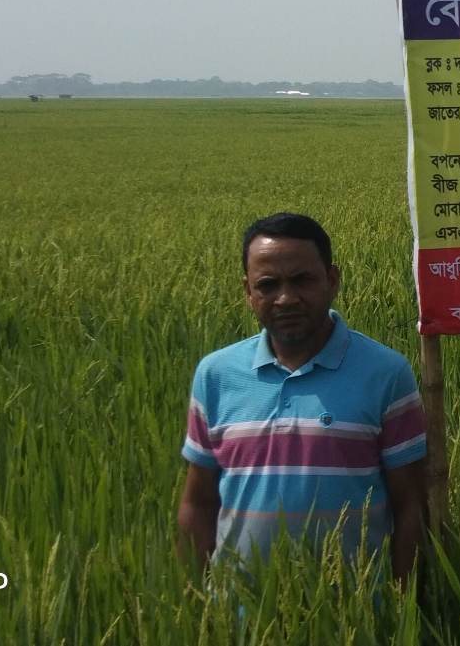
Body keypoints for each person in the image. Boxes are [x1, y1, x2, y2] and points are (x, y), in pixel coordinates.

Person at [176, 212, 428, 582]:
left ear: (332, 280)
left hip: (354, 608)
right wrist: (195, 602)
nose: (286, 298)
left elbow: (411, 507)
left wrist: (406, 604)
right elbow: (198, 503)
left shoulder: (386, 374)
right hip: (240, 609)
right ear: (248, 291)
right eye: (267, 285)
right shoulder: (216, 375)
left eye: (302, 280)